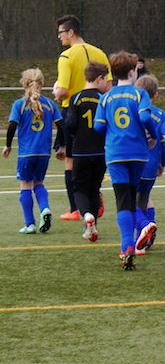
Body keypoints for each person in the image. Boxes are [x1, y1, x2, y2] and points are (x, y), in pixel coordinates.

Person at [94, 52, 158, 270]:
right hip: (138, 153)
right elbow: (145, 117)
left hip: (116, 154)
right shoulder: (140, 94)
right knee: (132, 198)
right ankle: (134, 238)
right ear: (132, 72)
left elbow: (98, 126)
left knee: (122, 200)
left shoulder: (105, 98)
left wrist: (112, 130)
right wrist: (153, 135)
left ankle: (127, 246)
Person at [54, 14, 110, 222]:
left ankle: (76, 208)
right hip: (99, 108)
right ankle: (93, 195)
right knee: (97, 154)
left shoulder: (67, 56)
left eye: (61, 32)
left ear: (71, 32)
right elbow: (108, 86)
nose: (59, 37)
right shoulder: (100, 53)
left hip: (74, 110)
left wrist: (56, 92)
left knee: (71, 159)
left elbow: (62, 91)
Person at [4, 69, 64, 234]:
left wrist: (8, 145)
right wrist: (61, 146)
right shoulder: (50, 104)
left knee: (25, 186)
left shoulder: (20, 104)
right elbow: (62, 126)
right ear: (42, 85)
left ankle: (30, 224)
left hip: (26, 154)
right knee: (39, 184)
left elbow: (12, 126)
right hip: (44, 154)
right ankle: (45, 209)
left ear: (24, 85)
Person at [133, 74, 165, 254]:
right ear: (156, 95)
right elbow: (164, 141)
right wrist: (163, 163)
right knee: (143, 199)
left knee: (129, 202)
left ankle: (143, 229)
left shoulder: (133, 112)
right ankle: (146, 239)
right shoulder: (160, 115)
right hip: (151, 165)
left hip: (135, 163)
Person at [64, 61, 109, 242]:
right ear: (99, 78)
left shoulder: (76, 98)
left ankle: (86, 215)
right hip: (100, 151)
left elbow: (70, 124)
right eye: (105, 79)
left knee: (79, 189)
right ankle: (92, 226)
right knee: (94, 188)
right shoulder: (104, 98)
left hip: (81, 151)